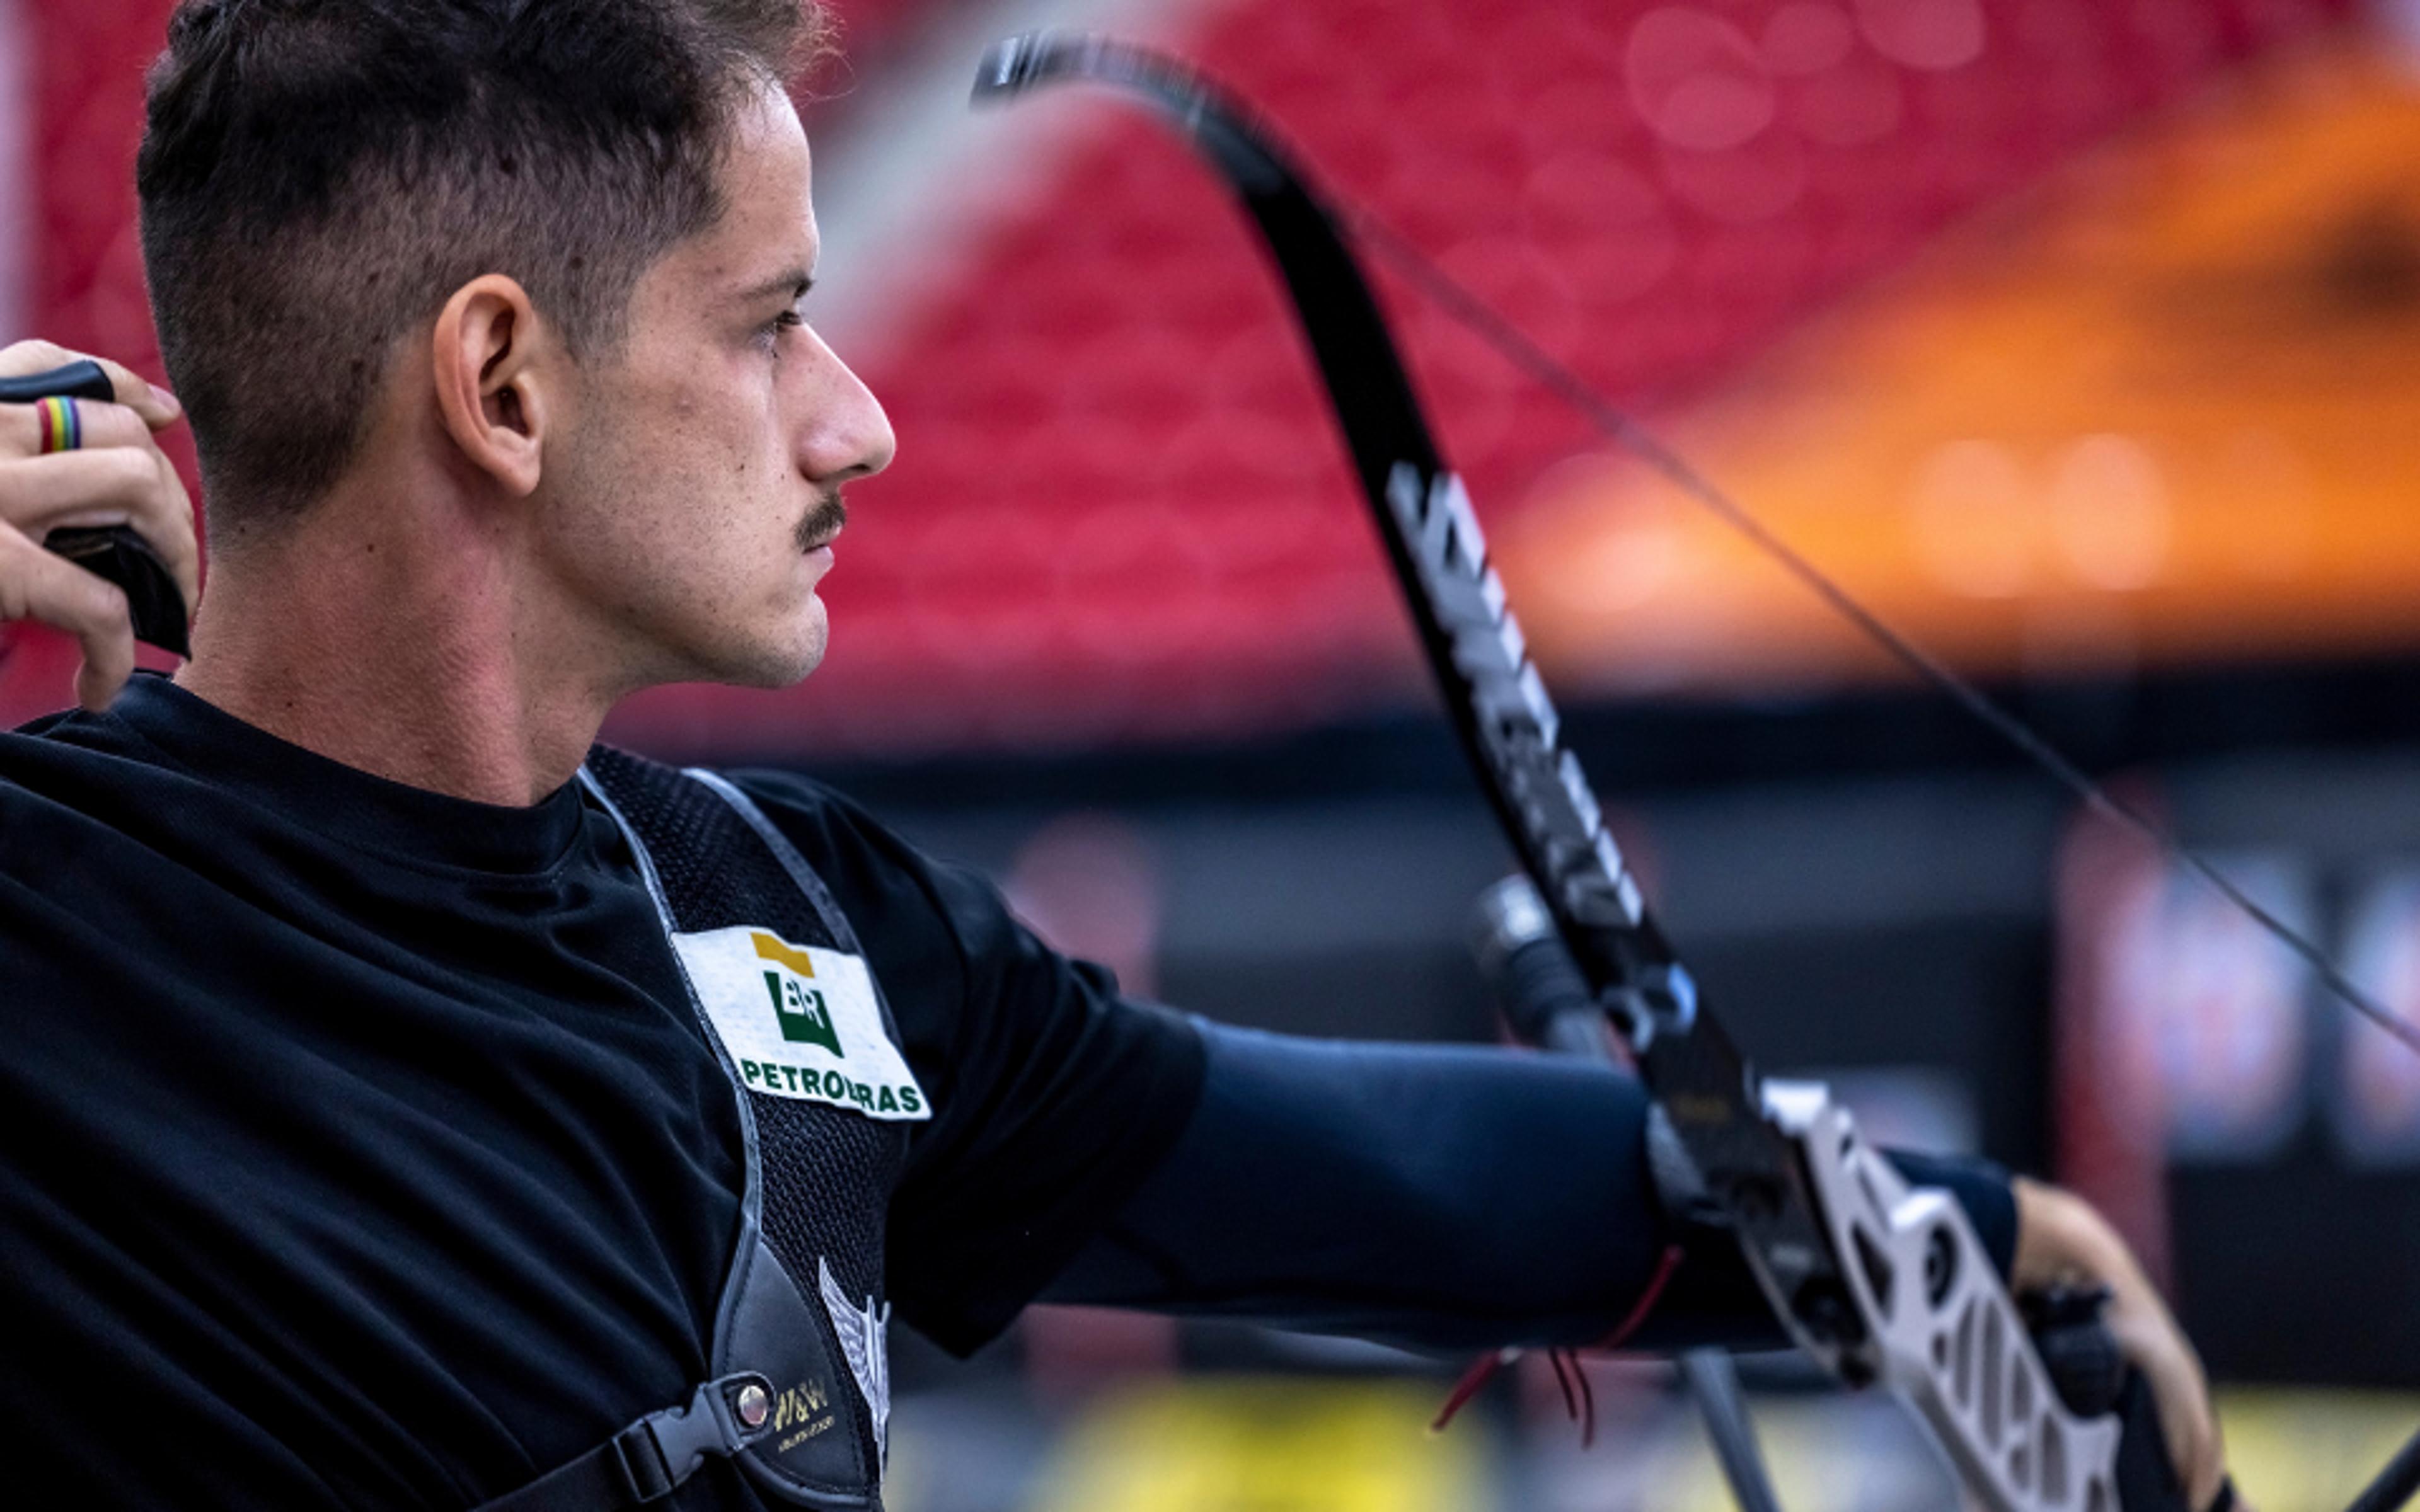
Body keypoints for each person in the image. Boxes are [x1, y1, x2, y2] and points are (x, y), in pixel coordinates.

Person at [0, 1, 2228, 1508]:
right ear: (503, 387)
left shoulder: (786, 919)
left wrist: (1951, 1236)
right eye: (770, 325)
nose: (857, 419)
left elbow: (1346, 1171)